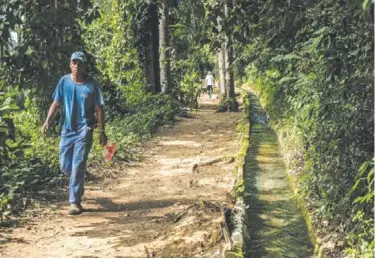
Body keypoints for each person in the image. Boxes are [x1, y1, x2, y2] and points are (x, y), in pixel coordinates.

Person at [41, 51, 107, 215]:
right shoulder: (64, 82)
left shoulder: (92, 85)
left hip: (85, 129)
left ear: (85, 66)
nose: (76, 66)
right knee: (65, 166)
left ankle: (74, 202)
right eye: (74, 63)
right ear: (70, 64)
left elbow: (99, 109)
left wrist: (102, 131)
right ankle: (79, 179)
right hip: (67, 129)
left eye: (80, 63)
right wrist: (48, 121)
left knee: (77, 164)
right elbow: (56, 103)